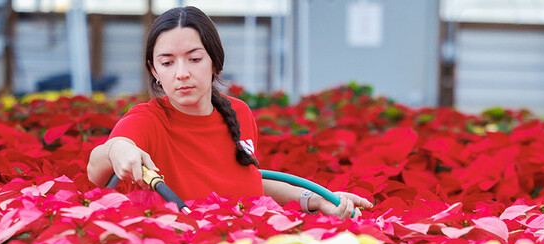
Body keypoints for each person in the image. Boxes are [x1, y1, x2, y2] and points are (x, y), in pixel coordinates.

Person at [86, 6, 371, 219]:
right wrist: (116, 149)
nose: (182, 73)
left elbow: (246, 183)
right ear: (154, 70)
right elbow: (96, 169)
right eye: (168, 62)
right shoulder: (147, 120)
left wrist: (318, 199)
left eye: (194, 59)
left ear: (215, 62)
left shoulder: (239, 113)